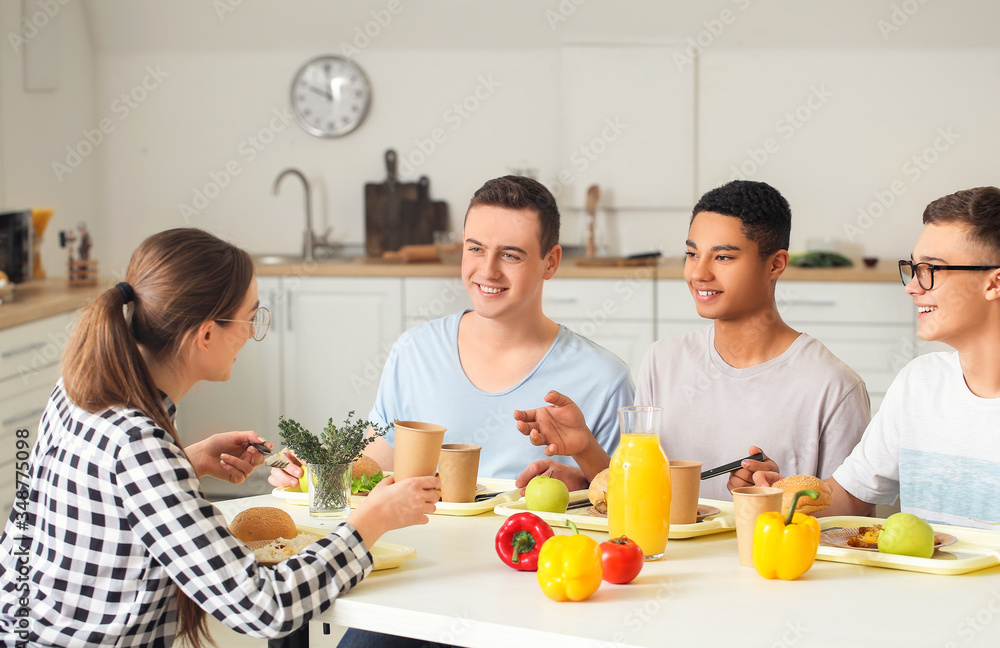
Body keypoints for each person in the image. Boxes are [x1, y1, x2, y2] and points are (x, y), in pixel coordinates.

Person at [0, 228, 439, 648]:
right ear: (207, 335)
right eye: (250, 318)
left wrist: (185, 462)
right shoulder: (140, 442)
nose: (252, 333)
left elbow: (91, 496)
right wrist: (371, 521)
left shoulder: (82, 390)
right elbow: (264, 606)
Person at [270, 175, 634, 493]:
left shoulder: (603, 377)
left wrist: (585, 473)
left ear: (550, 262)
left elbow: (628, 501)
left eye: (510, 255)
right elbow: (377, 463)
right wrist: (315, 472)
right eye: (475, 249)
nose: (487, 271)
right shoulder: (415, 351)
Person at [515, 180, 871, 500]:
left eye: (724, 257)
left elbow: (850, 524)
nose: (699, 273)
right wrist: (585, 449)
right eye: (692, 254)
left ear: (775, 264)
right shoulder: (663, 361)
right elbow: (641, 494)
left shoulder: (833, 386)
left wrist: (775, 497)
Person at [753, 186, 1000, 527]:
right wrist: (783, 495)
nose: (912, 286)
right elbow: (852, 496)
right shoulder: (919, 383)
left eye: (931, 269)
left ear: (994, 283)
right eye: (913, 268)